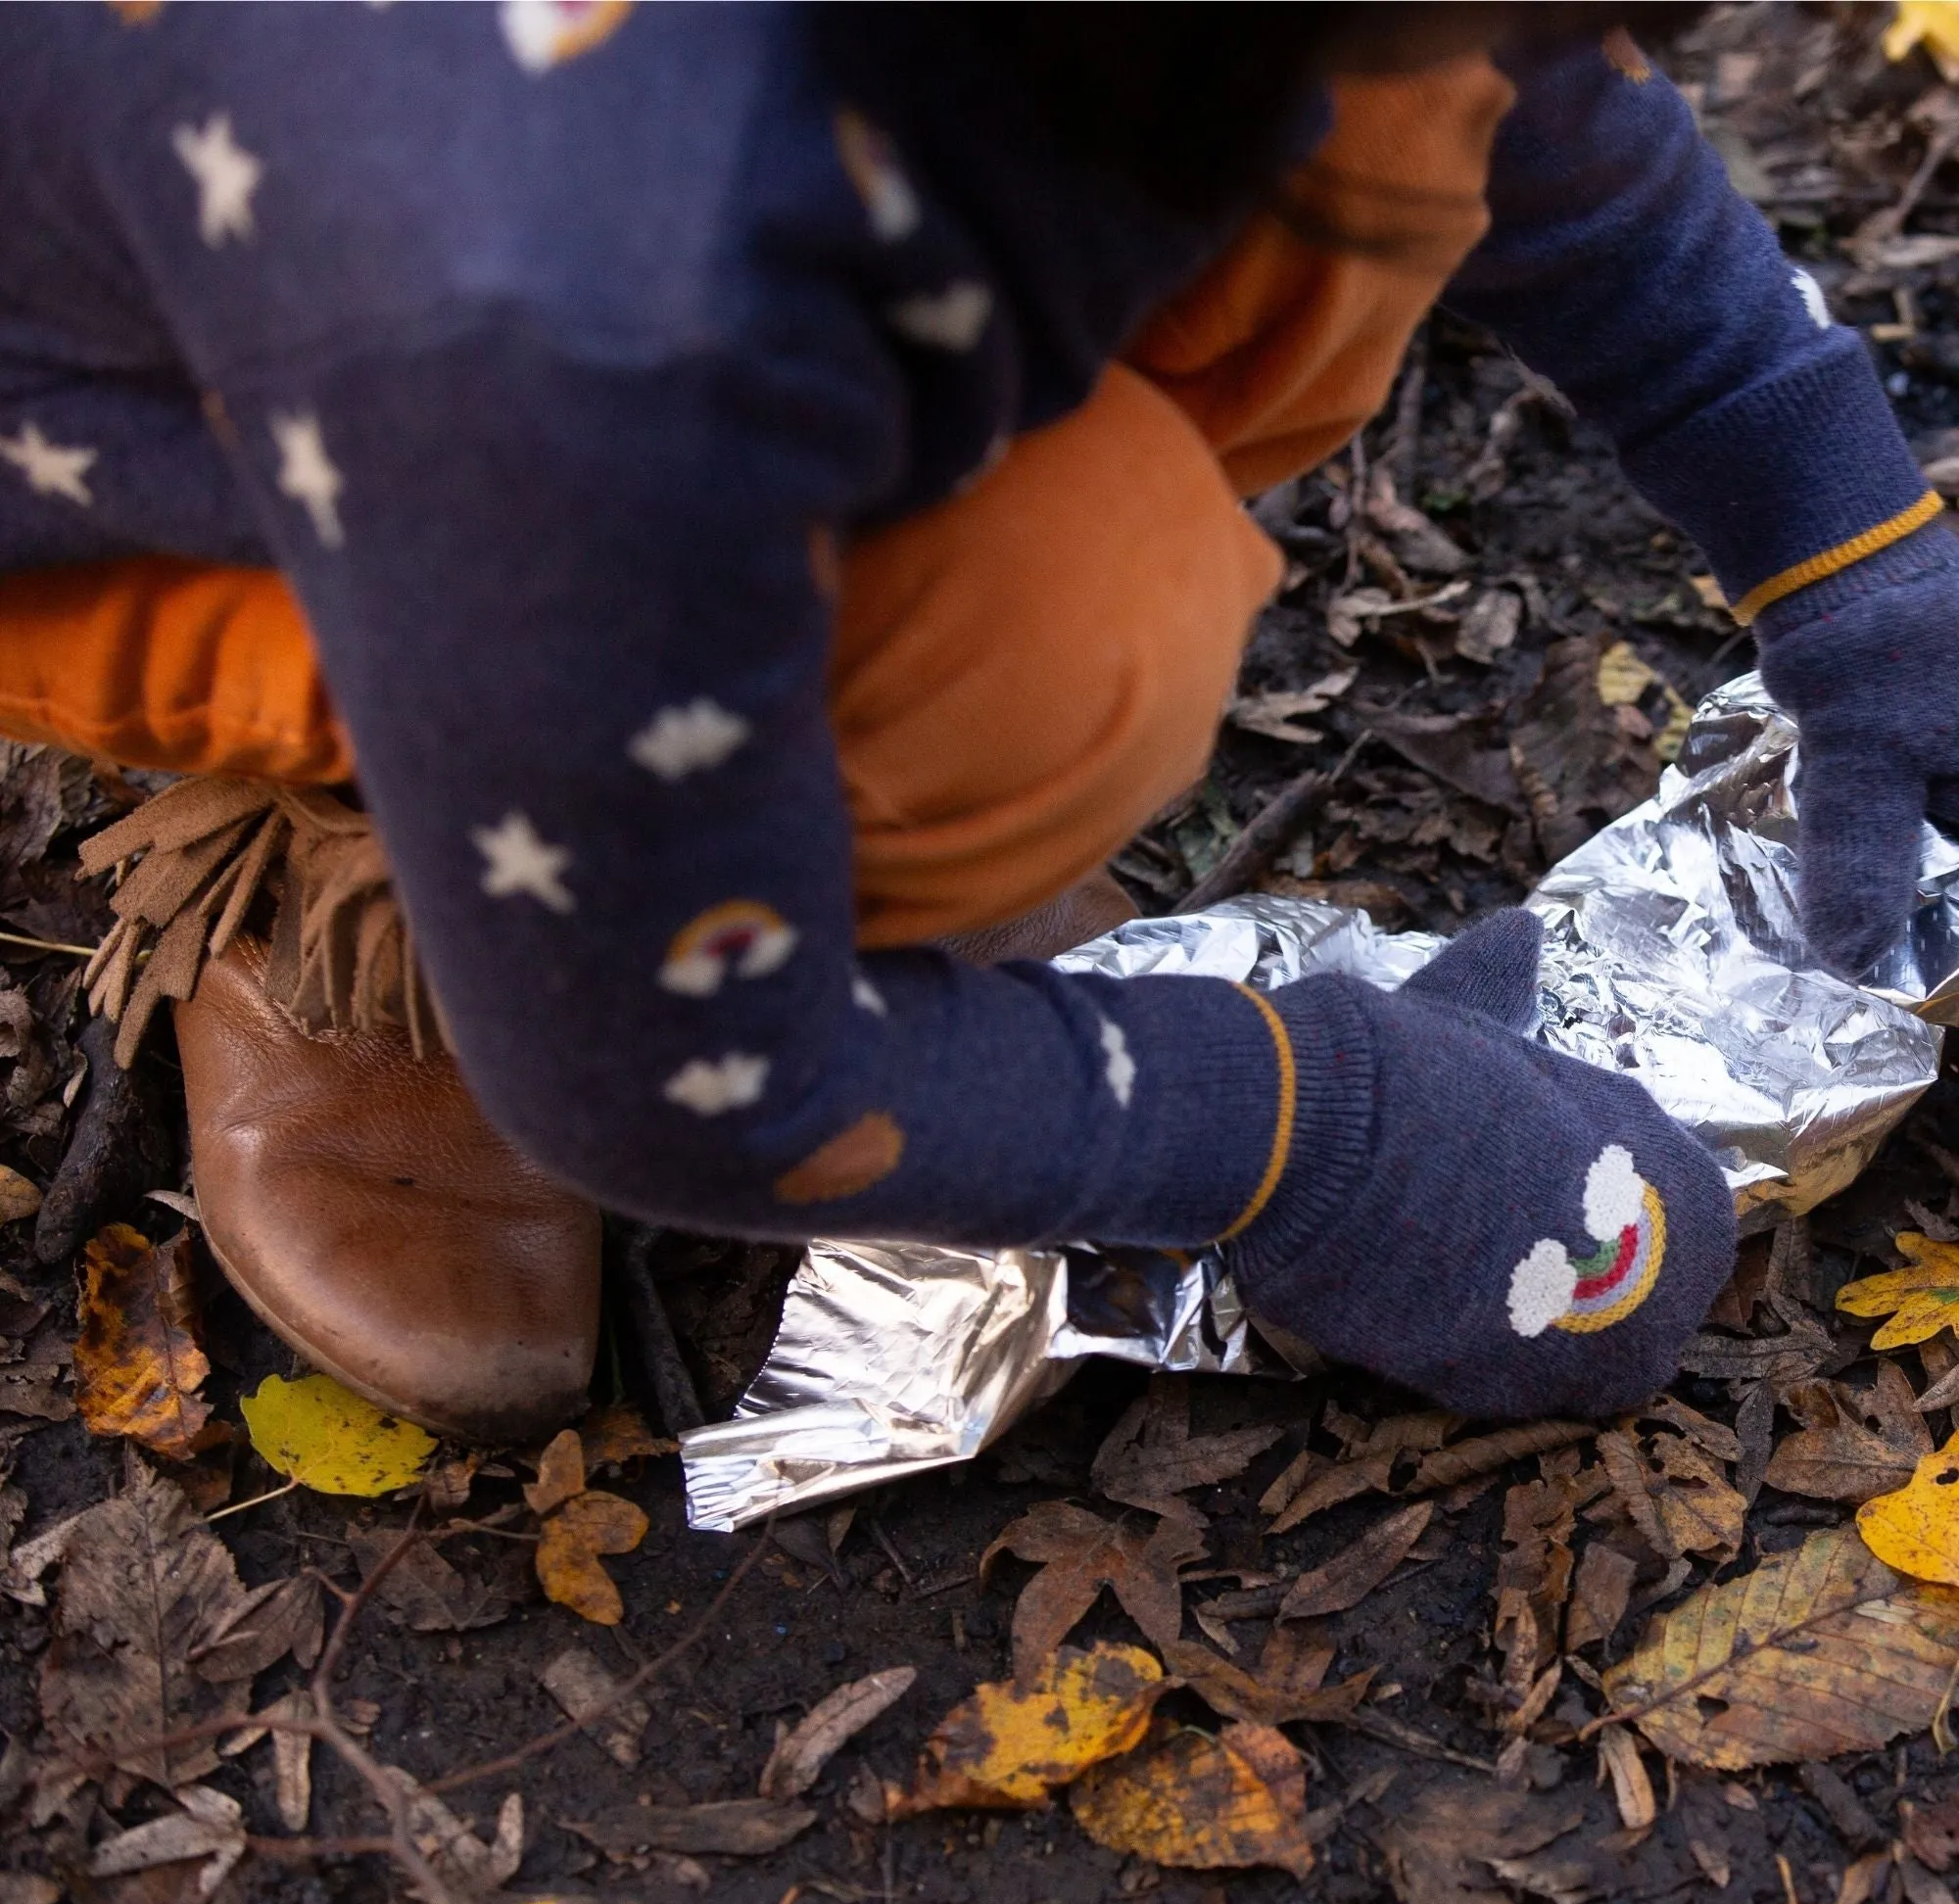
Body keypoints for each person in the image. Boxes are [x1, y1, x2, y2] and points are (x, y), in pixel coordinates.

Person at [0, 1, 1932, 1442]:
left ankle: (652, 725)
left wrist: (1842, 538)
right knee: (1050, 638)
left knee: (1372, 154)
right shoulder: (557, 294)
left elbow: (1509, 81)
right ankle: (385, 886)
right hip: (257, 444)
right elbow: (675, 1080)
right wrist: (1325, 1137)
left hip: (599, 284)